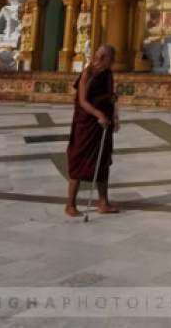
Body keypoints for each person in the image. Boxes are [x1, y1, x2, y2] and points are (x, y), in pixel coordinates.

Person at [65, 43, 120, 217]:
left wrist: (111, 100)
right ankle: (70, 204)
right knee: (80, 161)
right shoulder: (88, 73)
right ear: (104, 57)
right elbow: (83, 101)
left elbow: (103, 95)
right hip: (87, 124)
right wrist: (99, 114)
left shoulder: (107, 73)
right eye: (112, 57)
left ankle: (103, 202)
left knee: (103, 161)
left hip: (103, 125)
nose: (114, 61)